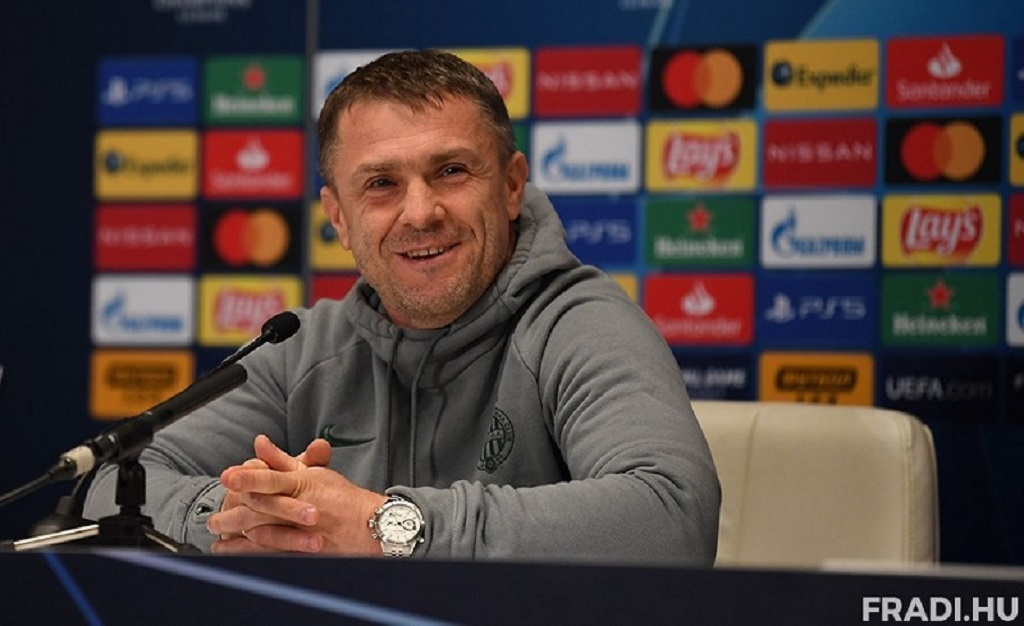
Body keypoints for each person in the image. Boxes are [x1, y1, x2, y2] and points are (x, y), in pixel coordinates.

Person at [84, 49, 720, 565]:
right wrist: (258, 519)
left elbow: (671, 517)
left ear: (511, 186)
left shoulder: (578, 322)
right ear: (339, 216)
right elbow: (111, 485)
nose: (421, 213)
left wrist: (384, 525)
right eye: (382, 184)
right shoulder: (301, 347)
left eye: (451, 171)